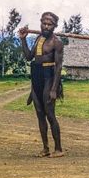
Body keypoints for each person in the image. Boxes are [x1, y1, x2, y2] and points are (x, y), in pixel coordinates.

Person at [18, 12, 64, 158]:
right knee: (39, 114)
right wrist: (23, 40)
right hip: (36, 75)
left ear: (55, 26)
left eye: (49, 24)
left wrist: (54, 89)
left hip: (49, 77)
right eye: (44, 23)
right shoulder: (39, 38)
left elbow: (58, 67)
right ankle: (45, 148)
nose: (46, 26)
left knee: (50, 114)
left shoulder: (57, 42)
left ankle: (58, 149)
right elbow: (28, 57)